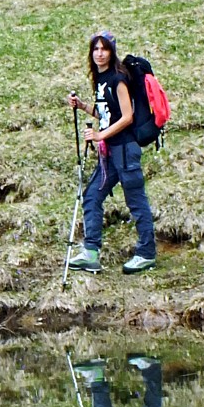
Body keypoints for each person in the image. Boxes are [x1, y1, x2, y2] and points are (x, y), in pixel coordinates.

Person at [66, 32, 157, 275]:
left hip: (125, 150)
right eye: (95, 49)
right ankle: (91, 253)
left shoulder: (118, 79)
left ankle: (147, 253)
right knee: (92, 196)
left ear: (111, 52)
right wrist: (84, 106)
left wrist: (99, 136)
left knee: (136, 202)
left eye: (104, 49)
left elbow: (127, 118)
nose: (99, 53)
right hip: (110, 154)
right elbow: (107, 115)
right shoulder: (101, 78)